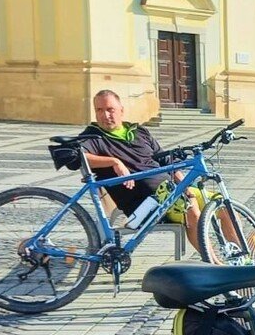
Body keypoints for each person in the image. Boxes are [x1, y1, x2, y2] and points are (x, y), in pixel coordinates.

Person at [78, 89, 205, 253]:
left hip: (172, 191)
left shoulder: (139, 131)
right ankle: (216, 265)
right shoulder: (93, 136)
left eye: (110, 109)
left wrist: (184, 184)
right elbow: (78, 156)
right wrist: (114, 162)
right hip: (149, 204)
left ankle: (245, 261)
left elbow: (165, 159)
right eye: (99, 110)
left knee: (223, 206)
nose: (105, 115)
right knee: (192, 210)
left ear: (121, 111)